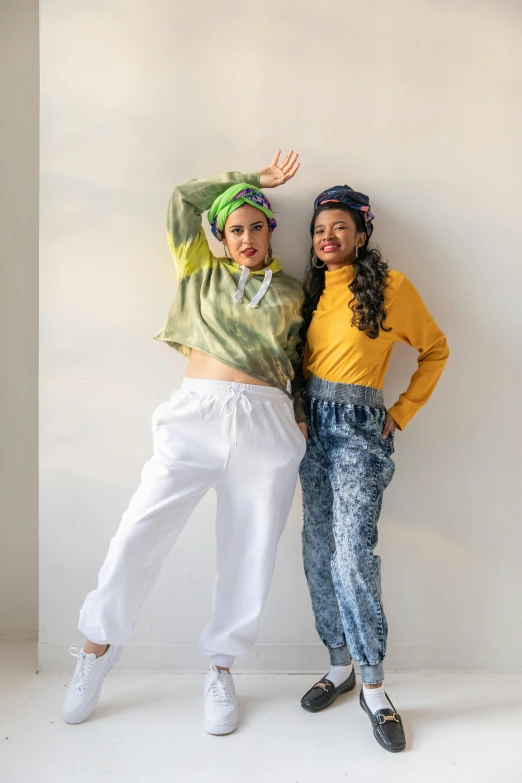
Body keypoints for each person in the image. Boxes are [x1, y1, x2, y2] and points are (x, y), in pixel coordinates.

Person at [62, 151, 307, 736]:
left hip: (269, 426)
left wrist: (298, 420)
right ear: (221, 237)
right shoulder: (200, 272)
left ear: (271, 228)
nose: (246, 237)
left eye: (256, 225)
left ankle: (220, 667)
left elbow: (305, 362)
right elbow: (181, 199)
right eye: (234, 229)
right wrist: (251, 179)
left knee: (248, 553)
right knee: (139, 530)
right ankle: (97, 649)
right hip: (196, 417)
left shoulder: (296, 292)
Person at [298, 185, 449, 752]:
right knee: (316, 548)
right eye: (318, 230)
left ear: (361, 234)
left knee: (352, 550)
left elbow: (435, 349)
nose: (327, 237)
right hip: (311, 427)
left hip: (360, 430)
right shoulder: (311, 291)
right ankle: (339, 665)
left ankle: (375, 684)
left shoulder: (390, 287)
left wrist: (401, 413)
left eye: (339, 227)